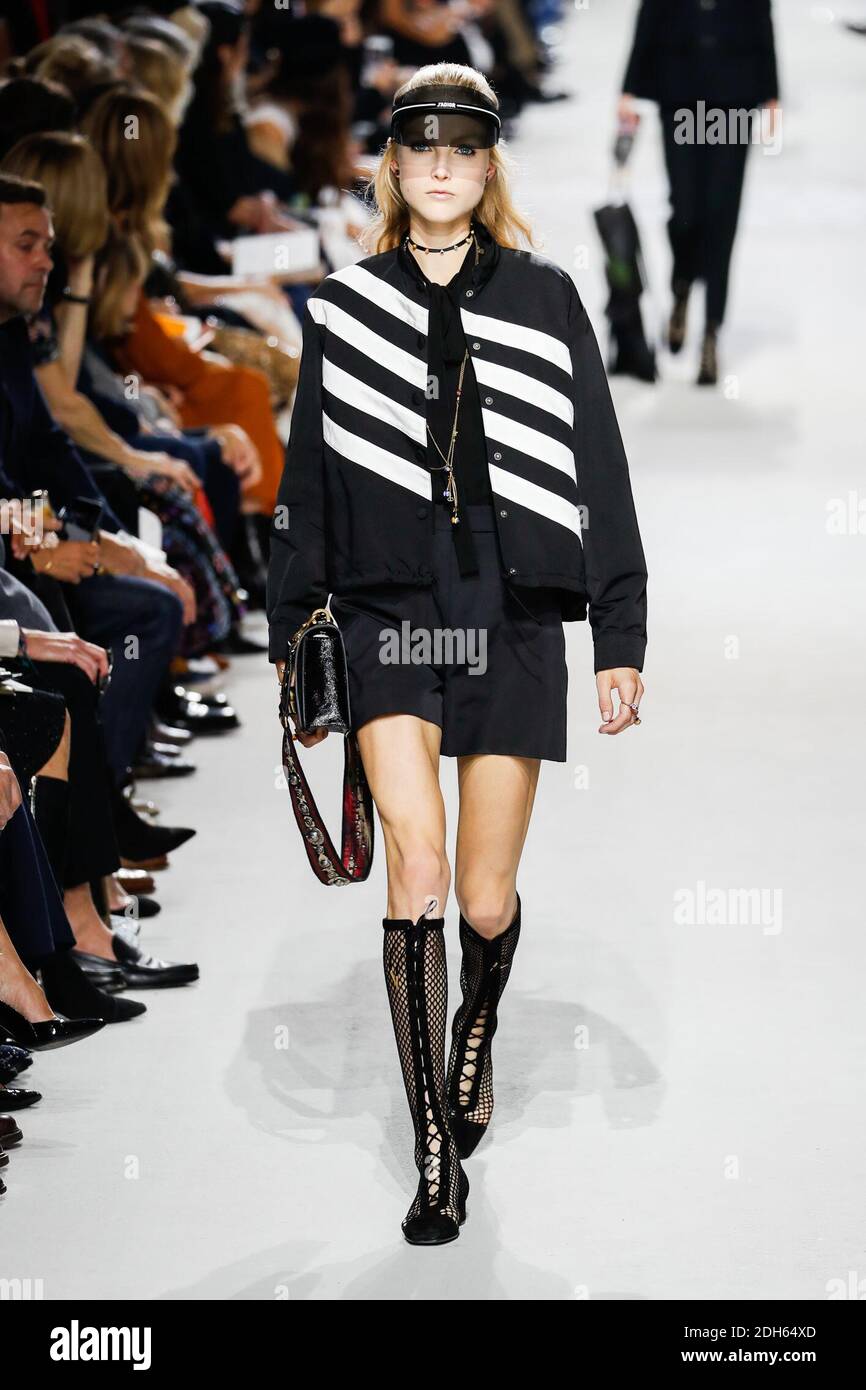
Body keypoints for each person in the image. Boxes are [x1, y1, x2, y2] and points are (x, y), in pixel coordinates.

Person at [267, 63, 647, 1245]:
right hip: (386, 606)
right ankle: (434, 1146)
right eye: (418, 145)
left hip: (512, 605)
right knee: (416, 875)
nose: (439, 163)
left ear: (487, 167)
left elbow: (598, 465)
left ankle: (474, 1028)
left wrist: (619, 633)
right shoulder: (343, 309)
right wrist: (297, 641)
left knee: (483, 896)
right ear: (391, 162)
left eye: (462, 146)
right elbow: (306, 486)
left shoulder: (544, 297)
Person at [619, 0, 779, 384]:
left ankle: (711, 331)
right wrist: (628, 89)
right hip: (680, 95)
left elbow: (762, 24)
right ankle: (683, 284)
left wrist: (772, 94)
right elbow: (649, 20)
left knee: (722, 213)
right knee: (685, 208)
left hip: (734, 100)